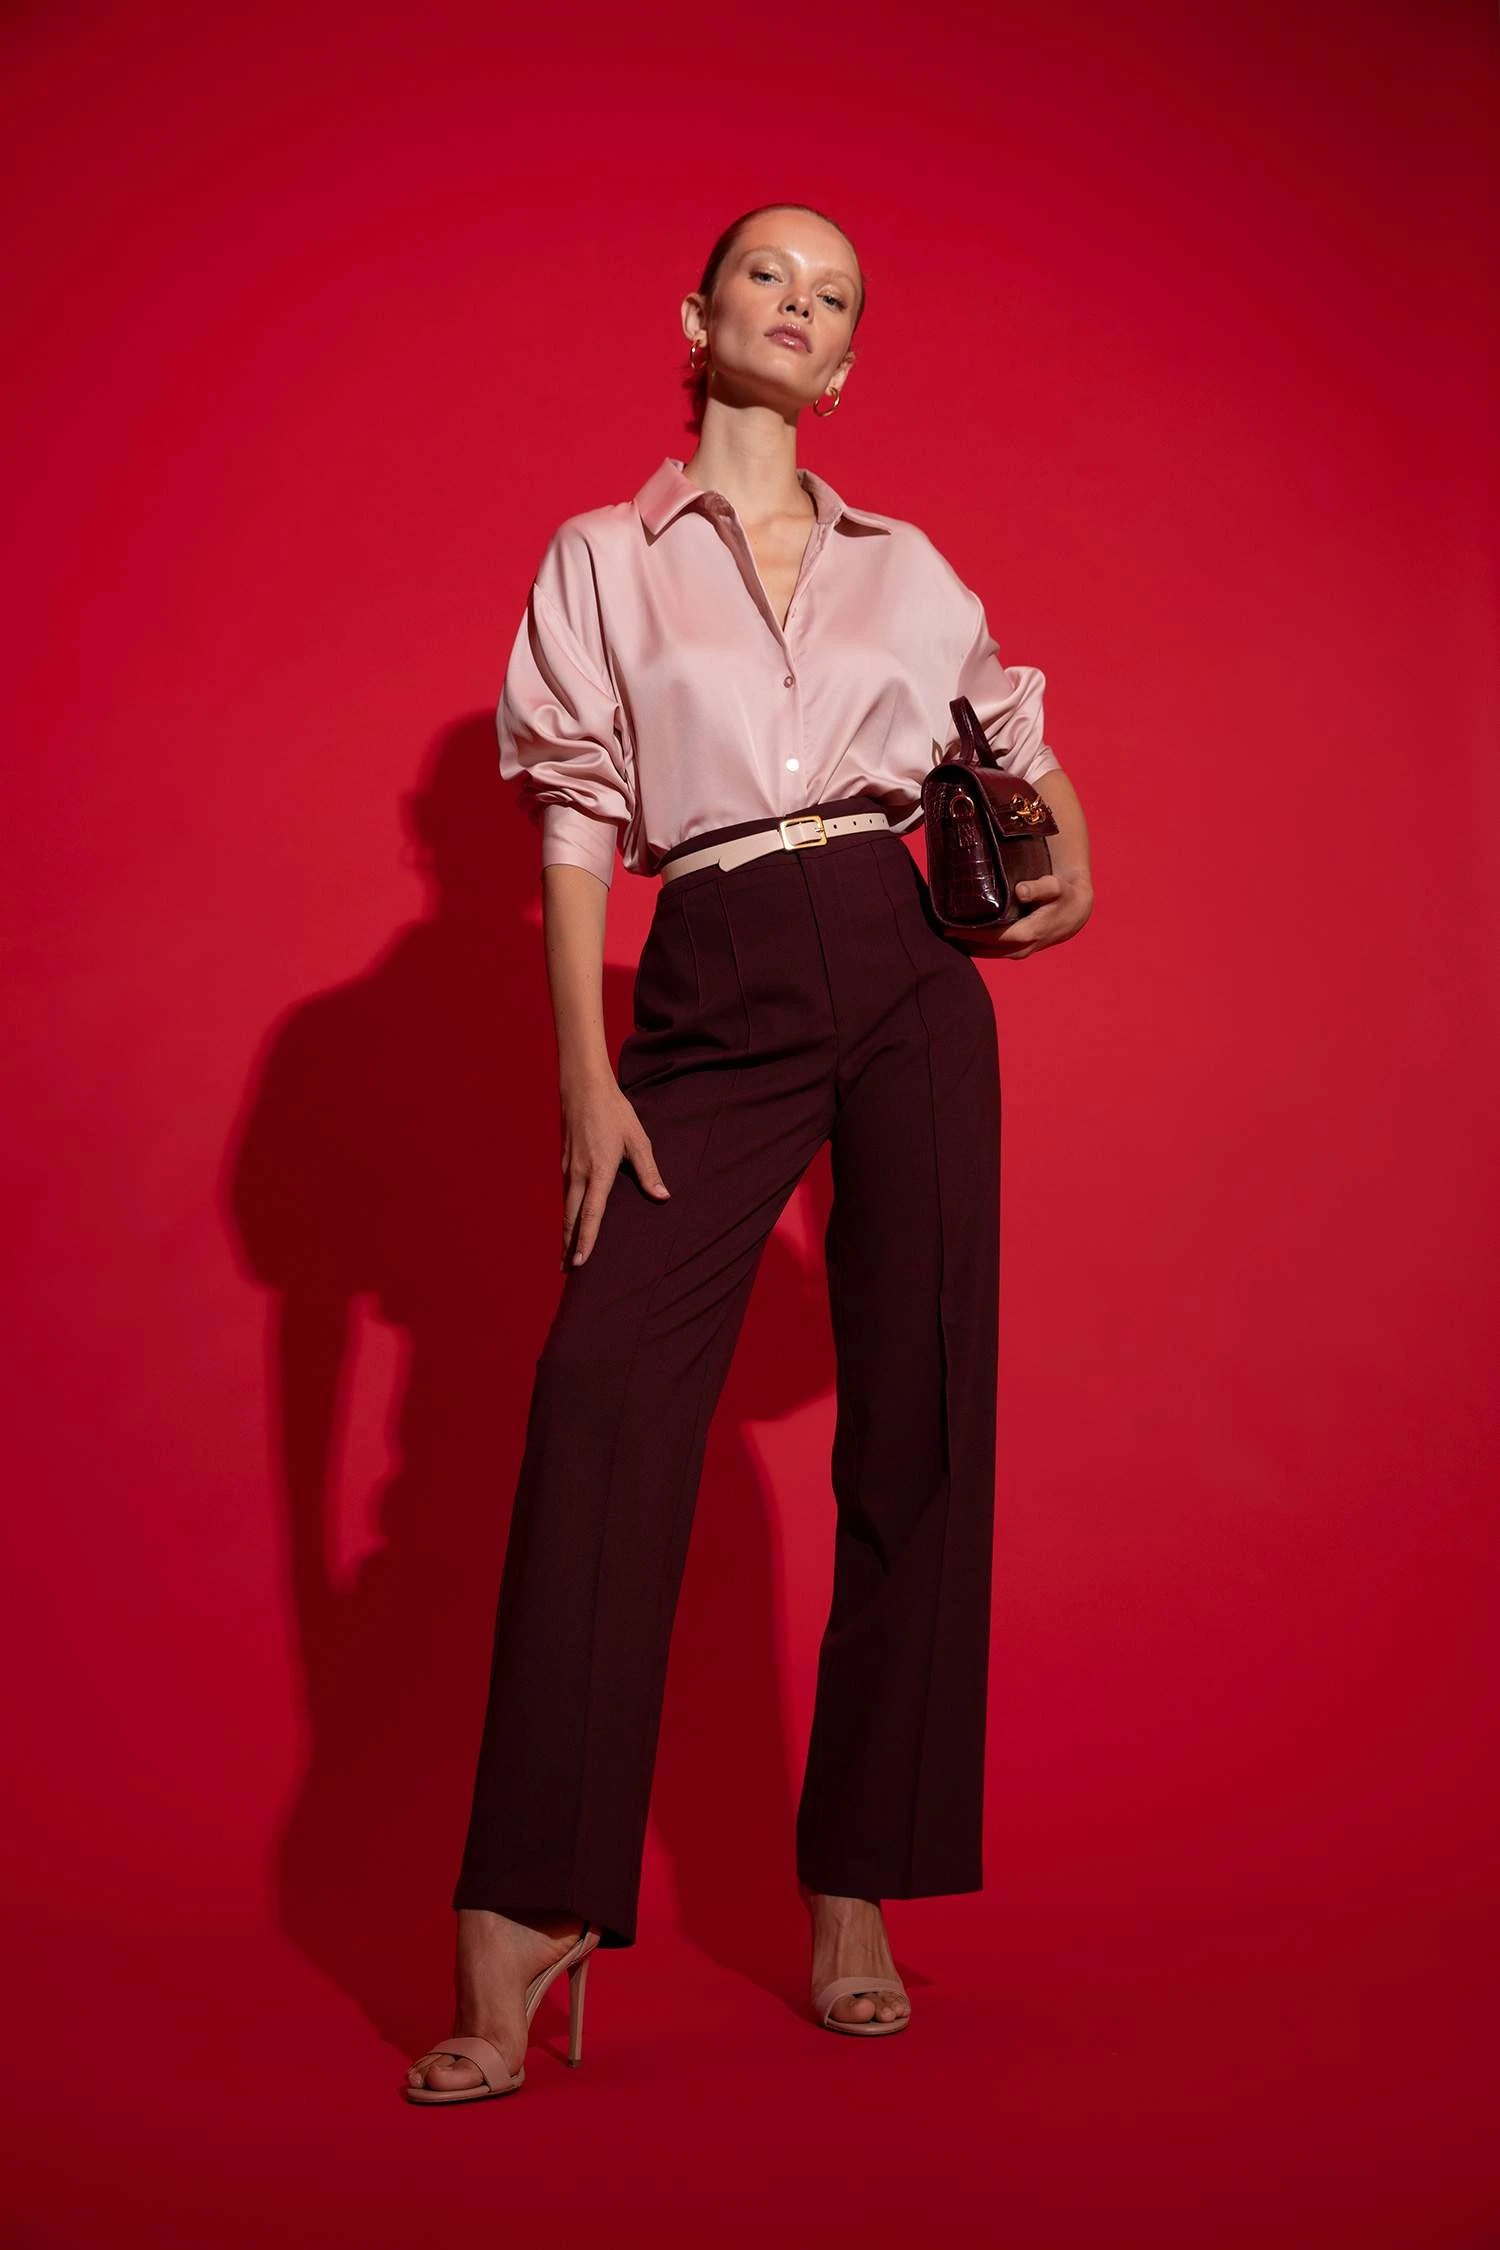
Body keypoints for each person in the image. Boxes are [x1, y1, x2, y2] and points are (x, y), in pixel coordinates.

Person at [404, 201, 1094, 2104]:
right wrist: (585, 1072)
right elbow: (576, 812)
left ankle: (855, 1881)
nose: (802, 304)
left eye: (836, 293)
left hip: (903, 961)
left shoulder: (905, 564)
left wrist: (1080, 853)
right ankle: (525, 1909)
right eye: (771, 277)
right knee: (603, 1395)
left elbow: (1007, 724)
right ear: (698, 316)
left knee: (920, 1405)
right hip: (709, 964)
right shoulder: (601, 558)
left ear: (846, 363)